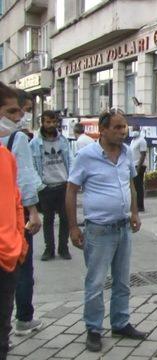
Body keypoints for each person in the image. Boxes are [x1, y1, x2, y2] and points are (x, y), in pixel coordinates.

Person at [66, 110, 147, 353]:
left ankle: (120, 323)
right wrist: (72, 227)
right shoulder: (85, 156)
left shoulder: (125, 153)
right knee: (96, 282)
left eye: (124, 127)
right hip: (98, 230)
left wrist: (134, 212)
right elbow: (71, 191)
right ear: (103, 130)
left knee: (122, 281)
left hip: (123, 227)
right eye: (118, 127)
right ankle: (93, 329)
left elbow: (131, 185)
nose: (123, 131)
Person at [0, 85, 44, 336]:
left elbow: (18, 189)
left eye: (23, 111)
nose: (19, 118)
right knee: (23, 268)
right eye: (14, 111)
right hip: (8, 238)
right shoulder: (18, 140)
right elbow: (25, 182)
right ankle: (24, 317)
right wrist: (34, 212)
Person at [0, 83, 31, 360]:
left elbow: (15, 202)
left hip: (8, 260)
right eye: (11, 111)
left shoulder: (6, 156)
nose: (17, 118)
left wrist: (18, 243)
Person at [31, 110, 72, 261]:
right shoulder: (35, 143)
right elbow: (32, 166)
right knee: (48, 220)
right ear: (42, 122)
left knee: (65, 218)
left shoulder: (63, 141)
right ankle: (49, 249)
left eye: (54, 122)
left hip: (63, 185)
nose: (51, 125)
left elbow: (70, 160)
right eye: (48, 122)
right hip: (46, 187)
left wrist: (71, 181)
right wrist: (39, 185)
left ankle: (63, 248)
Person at [130, 125, 147, 212]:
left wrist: (138, 168)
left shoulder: (142, 140)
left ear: (139, 130)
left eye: (136, 129)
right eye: (133, 129)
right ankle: (135, 205)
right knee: (135, 186)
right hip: (133, 165)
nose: (134, 131)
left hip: (139, 166)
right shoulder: (133, 140)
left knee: (139, 186)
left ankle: (140, 206)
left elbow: (143, 154)